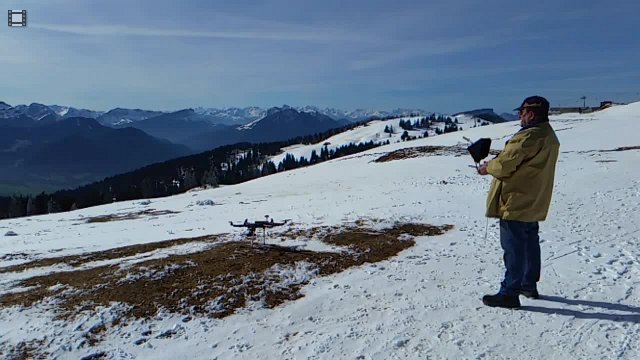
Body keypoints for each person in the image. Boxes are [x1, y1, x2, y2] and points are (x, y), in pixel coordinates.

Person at [477, 95, 560, 309]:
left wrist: (488, 168)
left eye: (522, 112)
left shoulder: (528, 137)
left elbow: (505, 166)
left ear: (531, 113)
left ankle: (510, 293)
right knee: (529, 242)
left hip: (516, 198)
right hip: (534, 197)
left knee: (513, 246)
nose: (519, 116)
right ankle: (527, 284)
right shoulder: (548, 134)